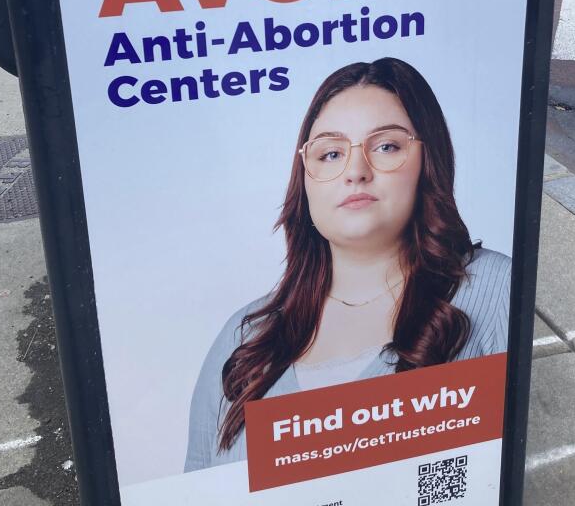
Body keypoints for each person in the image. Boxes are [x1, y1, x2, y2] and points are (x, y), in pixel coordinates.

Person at [184, 57, 511, 472]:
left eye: (387, 146)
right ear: (304, 180)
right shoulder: (245, 334)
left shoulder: (493, 287)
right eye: (331, 153)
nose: (355, 171)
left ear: (429, 161)